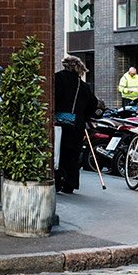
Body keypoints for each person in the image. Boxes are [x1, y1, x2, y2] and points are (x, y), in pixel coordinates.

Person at [53, 55, 100, 195]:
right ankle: (70, 184)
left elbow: (54, 98)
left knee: (58, 152)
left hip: (59, 122)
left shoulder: (58, 78)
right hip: (77, 125)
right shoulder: (83, 86)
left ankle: (57, 181)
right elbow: (92, 106)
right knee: (73, 154)